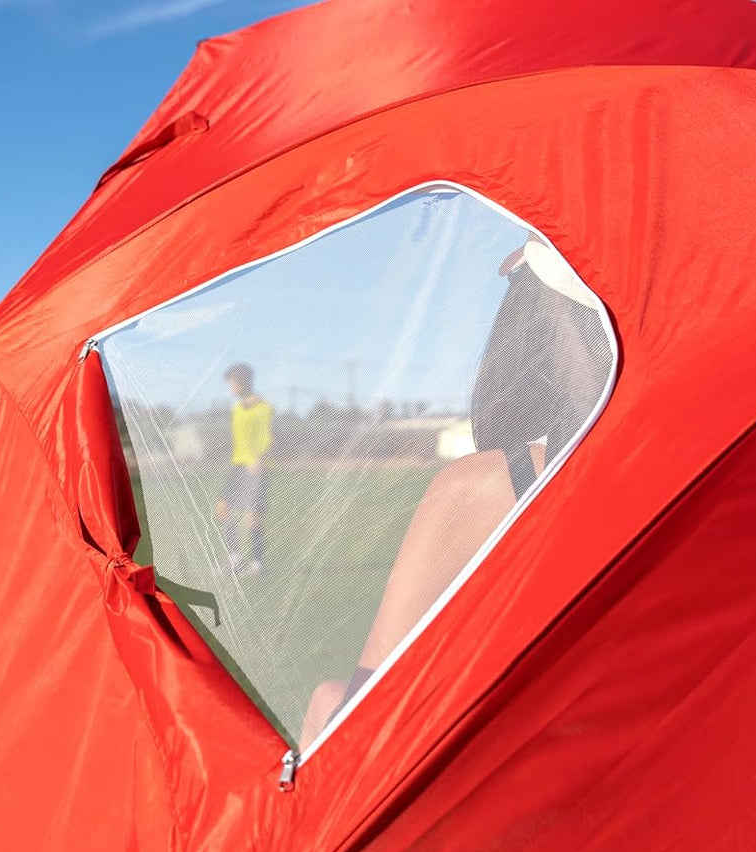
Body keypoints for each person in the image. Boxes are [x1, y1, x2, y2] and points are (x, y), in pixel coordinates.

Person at [300, 238, 610, 745]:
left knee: (329, 699)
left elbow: (356, 724)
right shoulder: (748, 467)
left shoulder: (490, 487)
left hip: (541, 789)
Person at [216, 362, 273, 575]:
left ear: (243, 381)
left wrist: (259, 459)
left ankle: (258, 564)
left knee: (252, 517)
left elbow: (269, 437)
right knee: (222, 509)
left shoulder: (264, 407)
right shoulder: (237, 408)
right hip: (237, 466)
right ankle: (235, 559)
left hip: (257, 468)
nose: (230, 387)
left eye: (232, 382)